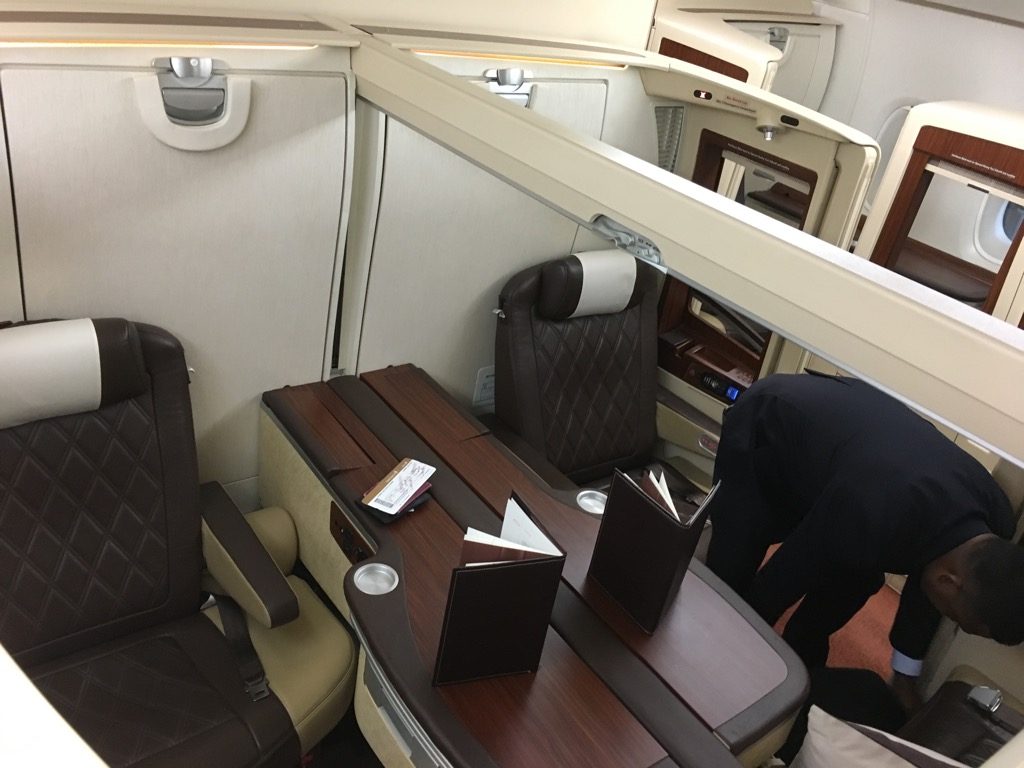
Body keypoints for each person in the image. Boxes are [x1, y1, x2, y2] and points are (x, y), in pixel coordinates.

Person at [705, 371, 1024, 710]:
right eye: (955, 617)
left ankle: (804, 650)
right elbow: (783, 577)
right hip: (773, 421)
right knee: (732, 572)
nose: (949, 619)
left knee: (856, 578)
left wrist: (904, 677)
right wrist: (736, 654)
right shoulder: (872, 508)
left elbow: (929, 582)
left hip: (855, 458)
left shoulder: (996, 519)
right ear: (949, 582)